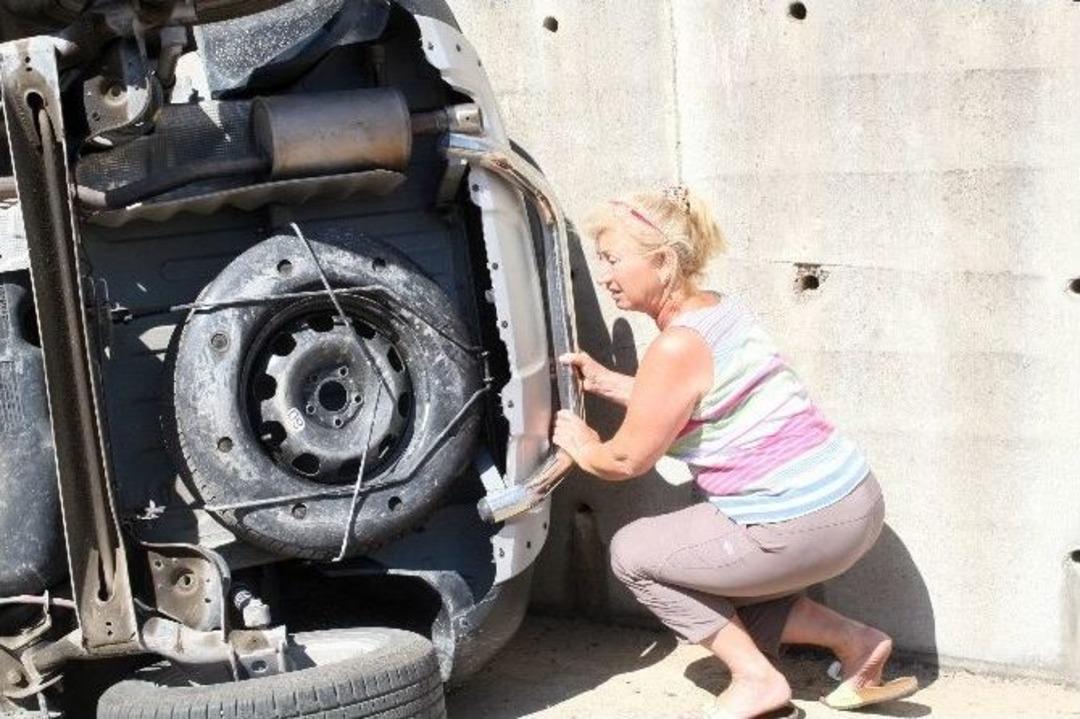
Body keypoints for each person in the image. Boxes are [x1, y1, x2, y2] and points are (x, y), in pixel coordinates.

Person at [552, 186, 918, 719]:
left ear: (663, 261)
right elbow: (696, 400)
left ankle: (755, 681)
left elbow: (627, 460)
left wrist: (584, 446)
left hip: (802, 523)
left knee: (635, 554)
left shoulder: (676, 346)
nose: (604, 275)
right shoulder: (720, 312)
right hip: (855, 502)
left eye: (612, 259)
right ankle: (858, 646)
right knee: (712, 569)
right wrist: (611, 382)